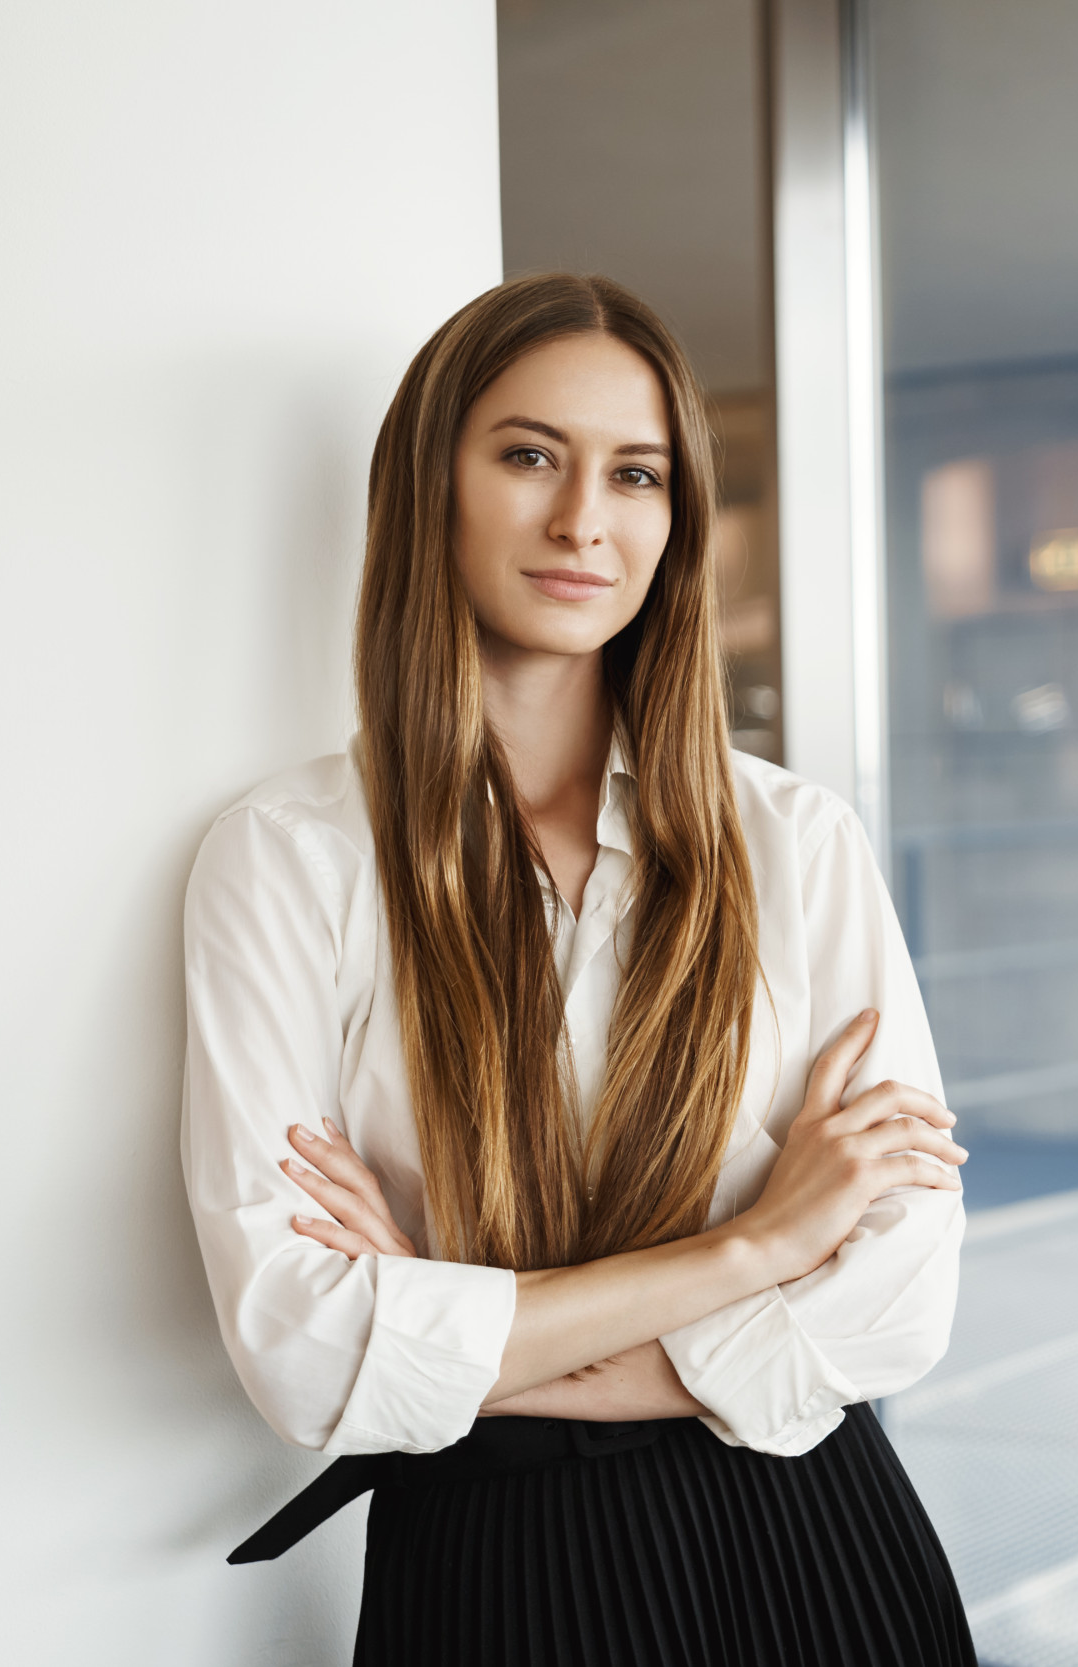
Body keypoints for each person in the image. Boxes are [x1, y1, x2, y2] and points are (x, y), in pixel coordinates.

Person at [179, 273, 975, 1665]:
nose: (582, 521)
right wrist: (762, 1247)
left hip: (817, 1554)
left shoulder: (796, 844)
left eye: (637, 474)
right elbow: (305, 1351)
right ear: (433, 483)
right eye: (530, 455)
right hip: (489, 1583)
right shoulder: (291, 859)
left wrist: (459, 1346)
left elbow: (904, 1296)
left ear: (679, 521)